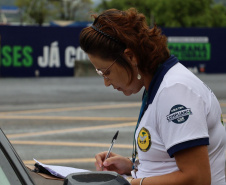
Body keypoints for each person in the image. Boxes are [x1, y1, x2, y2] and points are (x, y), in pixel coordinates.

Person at [79, 8, 226, 185]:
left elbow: (197, 178)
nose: (106, 82)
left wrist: (130, 183)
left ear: (131, 56)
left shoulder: (175, 92)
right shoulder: (160, 84)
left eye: (106, 72)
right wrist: (132, 166)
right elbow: (171, 161)